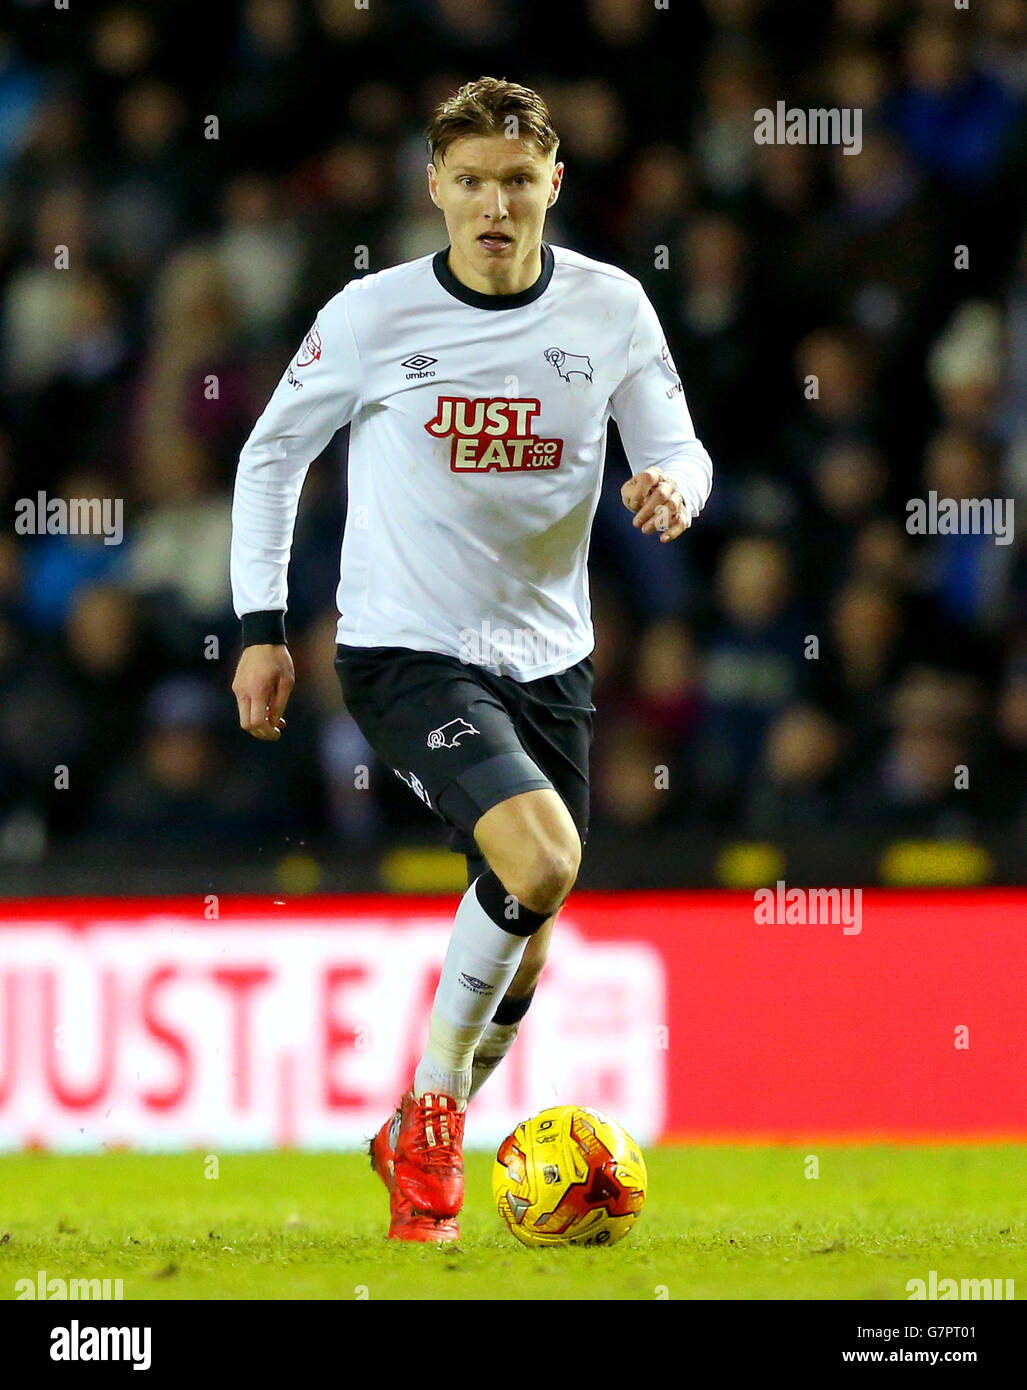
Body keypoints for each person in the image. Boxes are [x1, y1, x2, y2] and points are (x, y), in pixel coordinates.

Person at [229, 76, 713, 1242]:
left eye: (516, 180)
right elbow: (270, 457)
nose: (494, 203)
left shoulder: (609, 309)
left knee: (529, 919)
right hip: (405, 649)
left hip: (550, 661)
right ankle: (435, 1125)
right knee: (543, 857)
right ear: (433, 188)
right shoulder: (372, 315)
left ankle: (415, 1122)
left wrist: (672, 490)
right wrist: (257, 628)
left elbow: (679, 446)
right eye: (471, 181)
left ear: (554, 184)